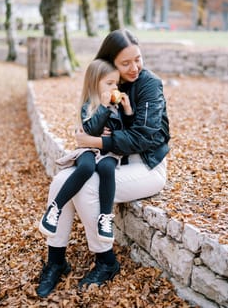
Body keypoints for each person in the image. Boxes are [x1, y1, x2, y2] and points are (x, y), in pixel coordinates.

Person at [36, 29, 170, 298]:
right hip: (114, 162)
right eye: (125, 63)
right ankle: (56, 259)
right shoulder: (106, 83)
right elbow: (88, 120)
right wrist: (89, 134)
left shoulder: (149, 85)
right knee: (61, 180)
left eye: (138, 59)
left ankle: (106, 261)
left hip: (145, 166)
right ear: (110, 64)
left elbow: (145, 137)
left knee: (86, 187)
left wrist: (95, 142)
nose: (134, 68)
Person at [39, 59, 134, 243]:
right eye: (109, 83)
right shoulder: (89, 105)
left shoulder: (118, 107)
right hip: (88, 149)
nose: (115, 87)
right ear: (94, 83)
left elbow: (126, 132)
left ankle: (105, 218)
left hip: (109, 152)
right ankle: (55, 208)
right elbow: (90, 129)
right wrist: (104, 108)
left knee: (107, 169)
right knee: (86, 168)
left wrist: (128, 111)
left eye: (116, 83)